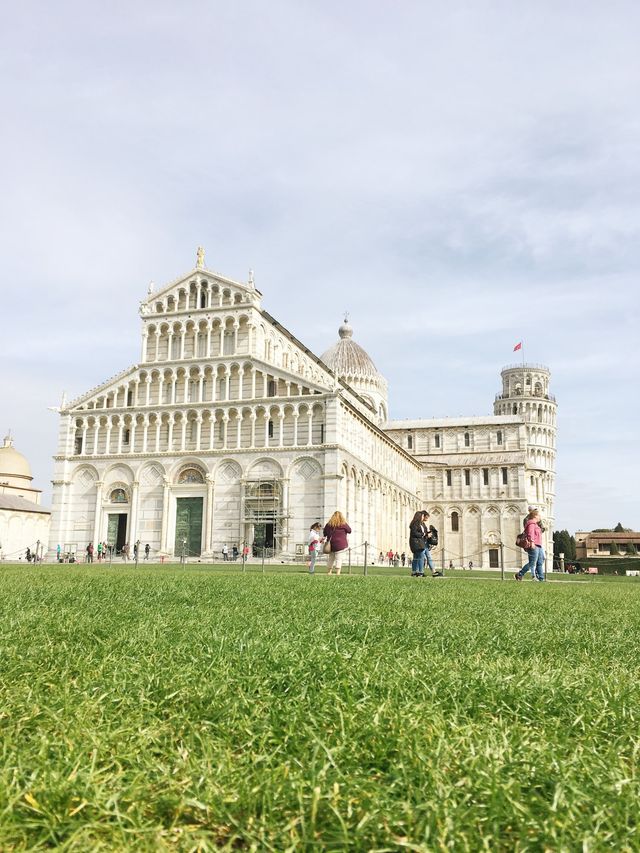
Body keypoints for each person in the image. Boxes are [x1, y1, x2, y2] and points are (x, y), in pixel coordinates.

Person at [515, 509, 545, 581]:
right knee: (532, 563)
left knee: (540, 561)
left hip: (539, 545)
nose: (540, 517)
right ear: (535, 516)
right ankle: (521, 574)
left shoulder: (536, 525)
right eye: (539, 515)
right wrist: (532, 542)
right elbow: (530, 533)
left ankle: (541, 578)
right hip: (534, 545)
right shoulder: (531, 523)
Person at [323, 511, 351, 575]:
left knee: (331, 558)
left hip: (331, 544)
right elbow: (349, 530)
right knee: (339, 558)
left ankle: (329, 572)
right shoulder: (343, 524)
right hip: (341, 544)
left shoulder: (329, 524)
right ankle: (338, 572)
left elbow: (325, 533)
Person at [409, 510, 427, 577]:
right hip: (416, 542)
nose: (423, 517)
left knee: (416, 557)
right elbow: (414, 533)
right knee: (420, 556)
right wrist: (423, 534)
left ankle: (414, 572)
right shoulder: (415, 524)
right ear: (419, 516)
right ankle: (420, 572)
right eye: (422, 516)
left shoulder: (420, 524)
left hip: (419, 542)